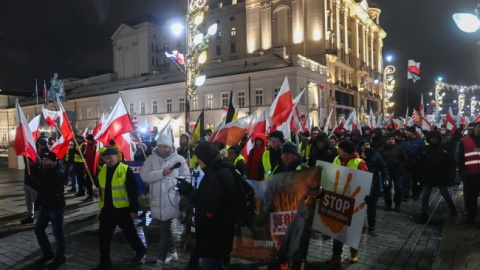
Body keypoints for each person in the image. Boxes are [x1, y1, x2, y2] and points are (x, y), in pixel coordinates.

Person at [91, 147, 147, 270]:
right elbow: (100, 188)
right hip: (106, 210)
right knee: (103, 237)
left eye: (110, 157)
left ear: (117, 157)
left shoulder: (126, 170)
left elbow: (132, 192)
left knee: (130, 234)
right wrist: (96, 192)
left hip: (123, 209)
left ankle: (140, 250)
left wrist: (134, 210)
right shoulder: (103, 170)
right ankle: (104, 261)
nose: (107, 160)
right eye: (105, 158)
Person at [140, 133, 191, 266]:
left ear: (170, 146)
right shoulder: (151, 159)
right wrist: (161, 173)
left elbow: (186, 177)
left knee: (164, 229)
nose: (162, 149)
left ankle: (160, 260)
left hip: (171, 200)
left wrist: (178, 185)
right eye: (160, 146)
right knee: (164, 228)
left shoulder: (179, 159)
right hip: (156, 200)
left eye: (165, 147)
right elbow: (144, 176)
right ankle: (173, 251)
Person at [193, 141, 236, 270]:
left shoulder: (216, 175)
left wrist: (191, 195)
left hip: (213, 234)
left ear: (206, 158)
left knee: (210, 264)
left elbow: (209, 204)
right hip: (221, 232)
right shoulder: (223, 170)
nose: (198, 162)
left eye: (199, 158)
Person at [326, 140, 368, 266]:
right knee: (337, 230)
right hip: (338, 199)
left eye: (340, 148)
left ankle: (354, 252)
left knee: (352, 229)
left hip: (353, 202)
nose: (337, 150)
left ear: (346, 151)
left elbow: (364, 182)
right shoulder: (336, 159)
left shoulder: (359, 163)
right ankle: (336, 256)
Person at [27, 152, 67, 269]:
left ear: (53, 161)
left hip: (56, 207)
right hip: (45, 206)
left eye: (47, 160)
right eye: (43, 159)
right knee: (38, 230)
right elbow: (40, 188)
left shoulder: (59, 172)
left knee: (57, 233)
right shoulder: (44, 170)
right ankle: (48, 253)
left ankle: (61, 256)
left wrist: (33, 182)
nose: (44, 162)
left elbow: (49, 188)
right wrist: (31, 181)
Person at [418, 131, 457, 223]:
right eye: (431, 138)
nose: (433, 140)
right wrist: (419, 176)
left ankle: (453, 209)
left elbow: (451, 161)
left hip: (441, 176)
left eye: (435, 138)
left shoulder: (444, 148)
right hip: (428, 176)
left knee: (445, 194)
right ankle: (424, 214)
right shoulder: (425, 149)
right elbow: (421, 163)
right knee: (425, 196)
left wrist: (451, 173)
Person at [358, 139, 390, 231]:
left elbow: (383, 167)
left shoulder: (376, 155)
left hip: (373, 183)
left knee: (372, 205)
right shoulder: (357, 156)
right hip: (360, 183)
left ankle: (372, 223)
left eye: (367, 144)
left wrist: (386, 178)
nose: (366, 147)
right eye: (363, 145)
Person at [379, 133, 409, 212]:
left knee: (398, 188)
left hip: (398, 172)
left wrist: (402, 168)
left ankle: (397, 204)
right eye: (389, 140)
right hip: (386, 173)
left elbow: (405, 159)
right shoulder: (382, 149)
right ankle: (388, 204)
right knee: (386, 188)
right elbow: (380, 160)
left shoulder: (399, 148)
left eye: (392, 139)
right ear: (386, 141)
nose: (391, 141)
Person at [457, 122, 480, 223]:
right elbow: (460, 159)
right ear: (475, 128)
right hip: (471, 174)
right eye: (479, 127)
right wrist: (462, 172)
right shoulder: (465, 141)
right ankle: (471, 216)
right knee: (471, 196)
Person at [401, 126, 425, 201]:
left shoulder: (420, 141)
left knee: (417, 180)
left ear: (412, 132)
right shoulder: (404, 141)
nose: (406, 133)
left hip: (417, 164)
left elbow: (423, 152)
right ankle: (405, 195)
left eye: (408, 131)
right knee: (406, 180)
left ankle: (416, 194)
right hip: (407, 165)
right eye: (406, 131)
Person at [83, 134, 97, 202]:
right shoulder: (87, 145)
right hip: (88, 167)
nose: (88, 141)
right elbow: (85, 154)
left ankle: (96, 194)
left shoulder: (95, 145)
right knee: (88, 182)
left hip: (94, 168)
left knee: (95, 182)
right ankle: (90, 195)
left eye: (89, 140)